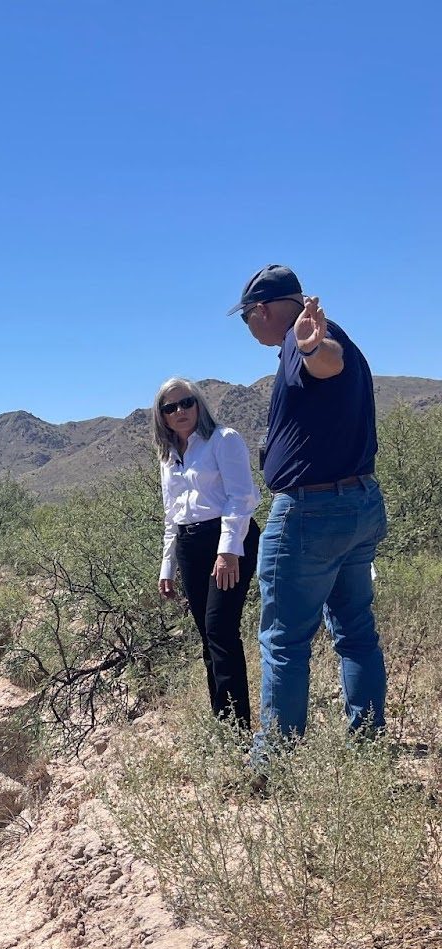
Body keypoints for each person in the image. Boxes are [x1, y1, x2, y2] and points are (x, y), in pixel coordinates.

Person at [230, 264, 386, 748]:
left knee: (284, 641)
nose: (248, 328)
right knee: (355, 628)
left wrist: (312, 347)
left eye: (246, 318)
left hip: (311, 514)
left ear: (262, 310)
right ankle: (368, 741)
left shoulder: (310, 344)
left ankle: (278, 759)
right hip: (360, 505)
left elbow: (327, 361)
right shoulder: (325, 340)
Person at [153, 378, 261, 726]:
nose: (180, 411)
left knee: (220, 629)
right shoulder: (168, 455)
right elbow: (172, 513)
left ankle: (238, 731)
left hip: (228, 538)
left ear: (198, 403)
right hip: (189, 544)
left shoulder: (222, 440)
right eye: (170, 408)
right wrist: (167, 566)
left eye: (186, 402)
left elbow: (241, 498)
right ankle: (223, 722)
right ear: (163, 416)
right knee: (206, 633)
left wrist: (228, 551)